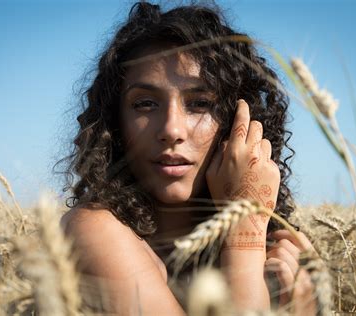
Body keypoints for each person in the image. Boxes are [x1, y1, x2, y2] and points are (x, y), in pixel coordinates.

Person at [59, 1, 316, 314]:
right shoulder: (94, 230)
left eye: (200, 104)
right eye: (145, 104)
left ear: (240, 124)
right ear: (115, 123)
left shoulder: (281, 253)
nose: (171, 129)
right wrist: (244, 231)